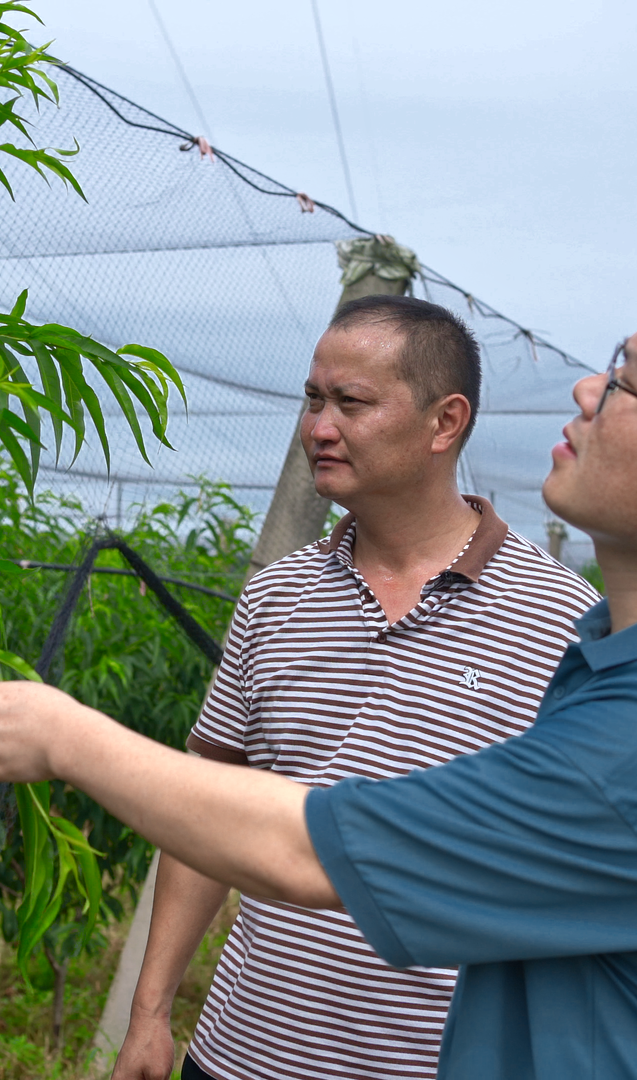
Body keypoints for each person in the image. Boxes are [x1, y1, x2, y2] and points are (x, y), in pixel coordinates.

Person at [0, 281, 637, 1079]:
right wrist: (156, 1004)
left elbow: (313, 849)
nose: (584, 387)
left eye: (626, 382)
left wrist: (64, 736)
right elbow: (237, 783)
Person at [114, 294, 598, 1080]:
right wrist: (150, 1012)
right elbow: (208, 808)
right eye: (312, 399)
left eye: (352, 402)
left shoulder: (560, 617)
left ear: (445, 423)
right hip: (244, 1055)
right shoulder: (276, 597)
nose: (319, 427)